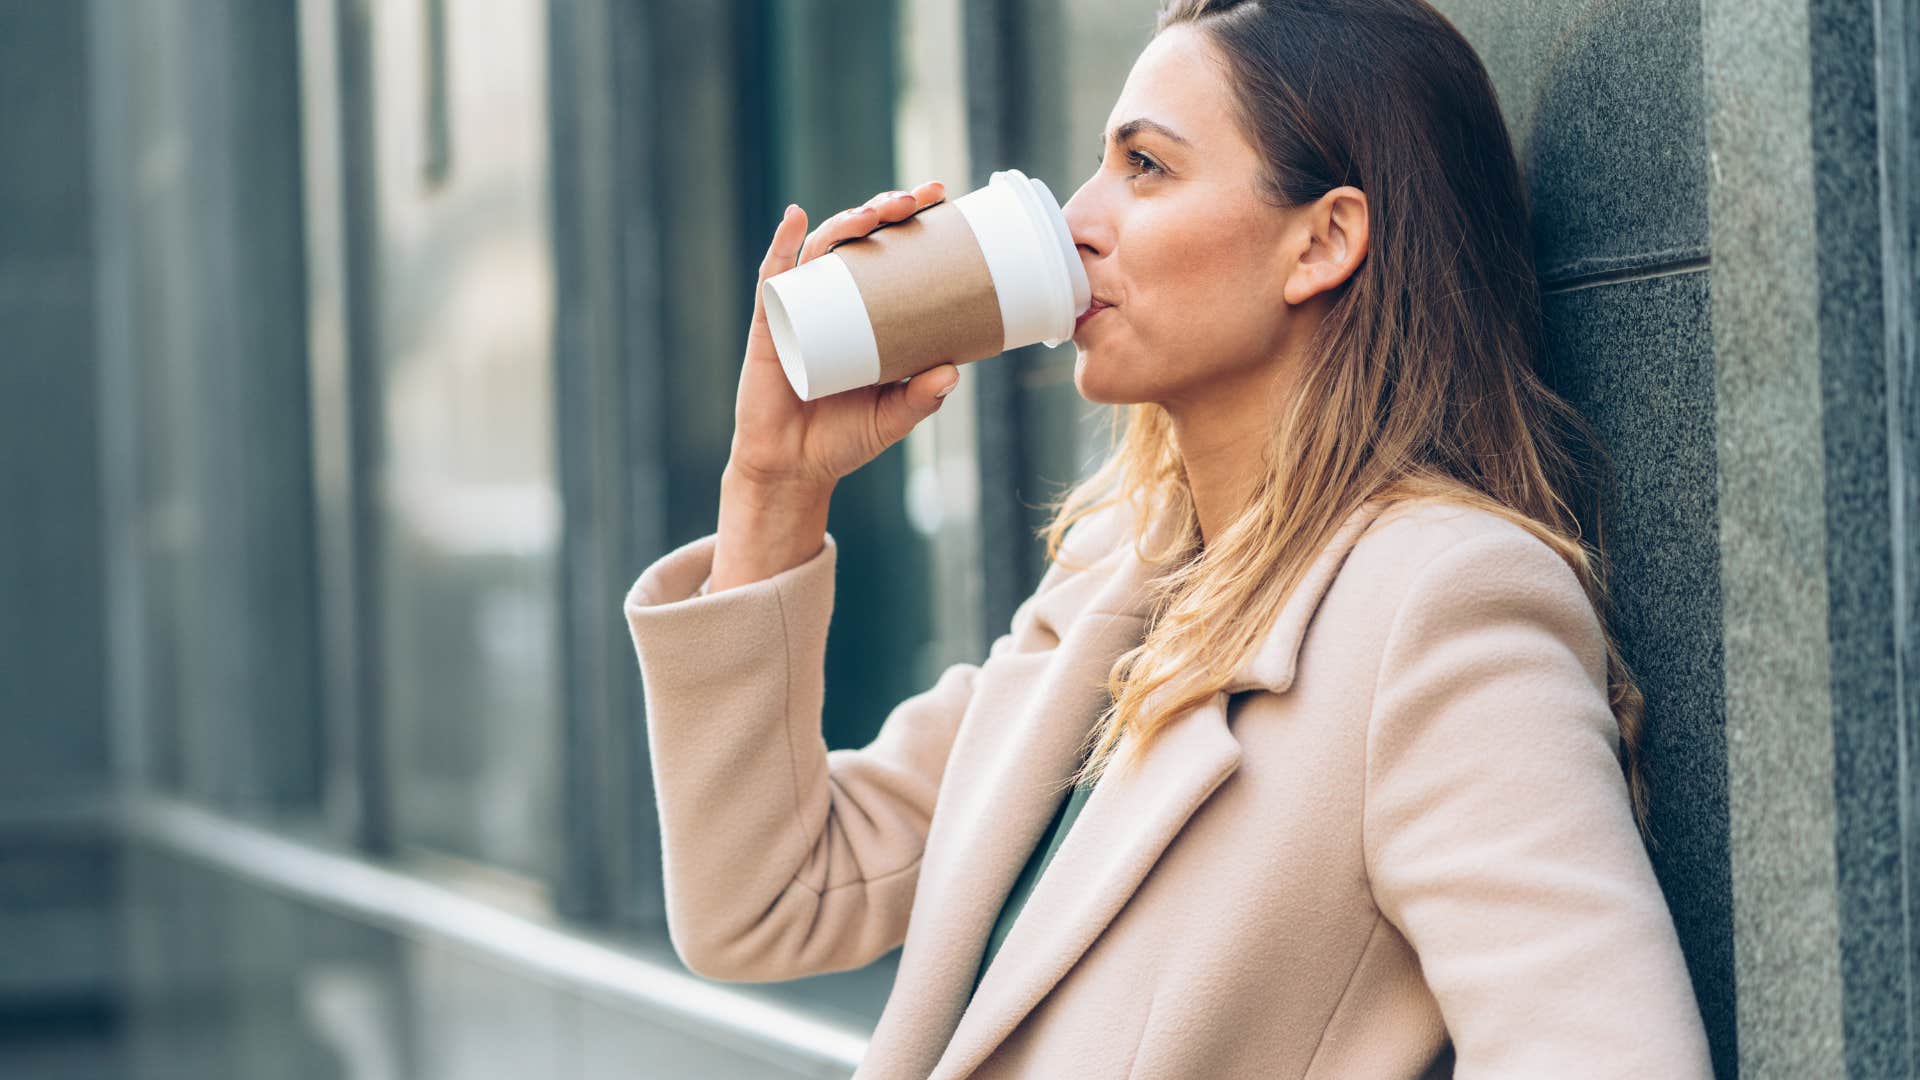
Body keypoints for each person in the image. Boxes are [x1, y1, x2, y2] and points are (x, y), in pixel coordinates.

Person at [623, 0, 1716, 1075]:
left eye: (1146, 168)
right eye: (1100, 166)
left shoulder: (1438, 605)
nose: (1077, 218)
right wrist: (773, 488)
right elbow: (765, 904)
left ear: (1323, 240)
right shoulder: (1119, 579)